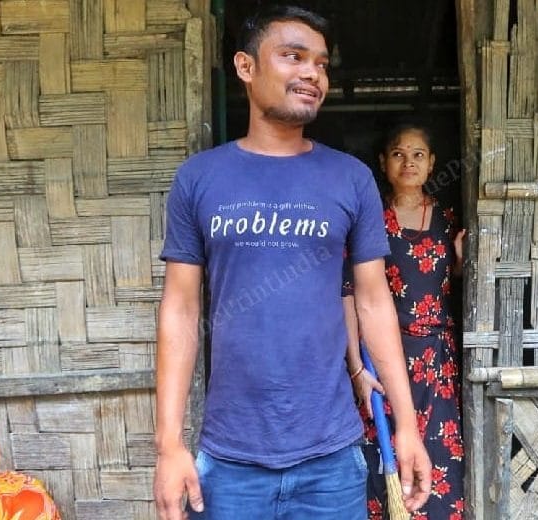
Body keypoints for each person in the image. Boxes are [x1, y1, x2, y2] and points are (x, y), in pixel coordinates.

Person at [153, 6, 431, 520]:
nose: (312, 74)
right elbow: (180, 311)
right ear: (245, 66)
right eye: (293, 57)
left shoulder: (349, 179)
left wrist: (408, 425)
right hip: (230, 459)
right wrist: (169, 446)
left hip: (331, 458)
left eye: (321, 64)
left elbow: (373, 303)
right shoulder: (199, 179)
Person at [345, 123, 465, 519]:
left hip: (437, 363)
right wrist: (358, 366)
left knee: (441, 458)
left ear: (431, 164)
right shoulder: (369, 221)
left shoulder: (449, 221)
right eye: (398, 153)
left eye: (417, 154)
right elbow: (348, 293)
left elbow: (457, 286)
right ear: (383, 162)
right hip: (384, 361)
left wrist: (463, 264)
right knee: (384, 460)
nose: (408, 162)